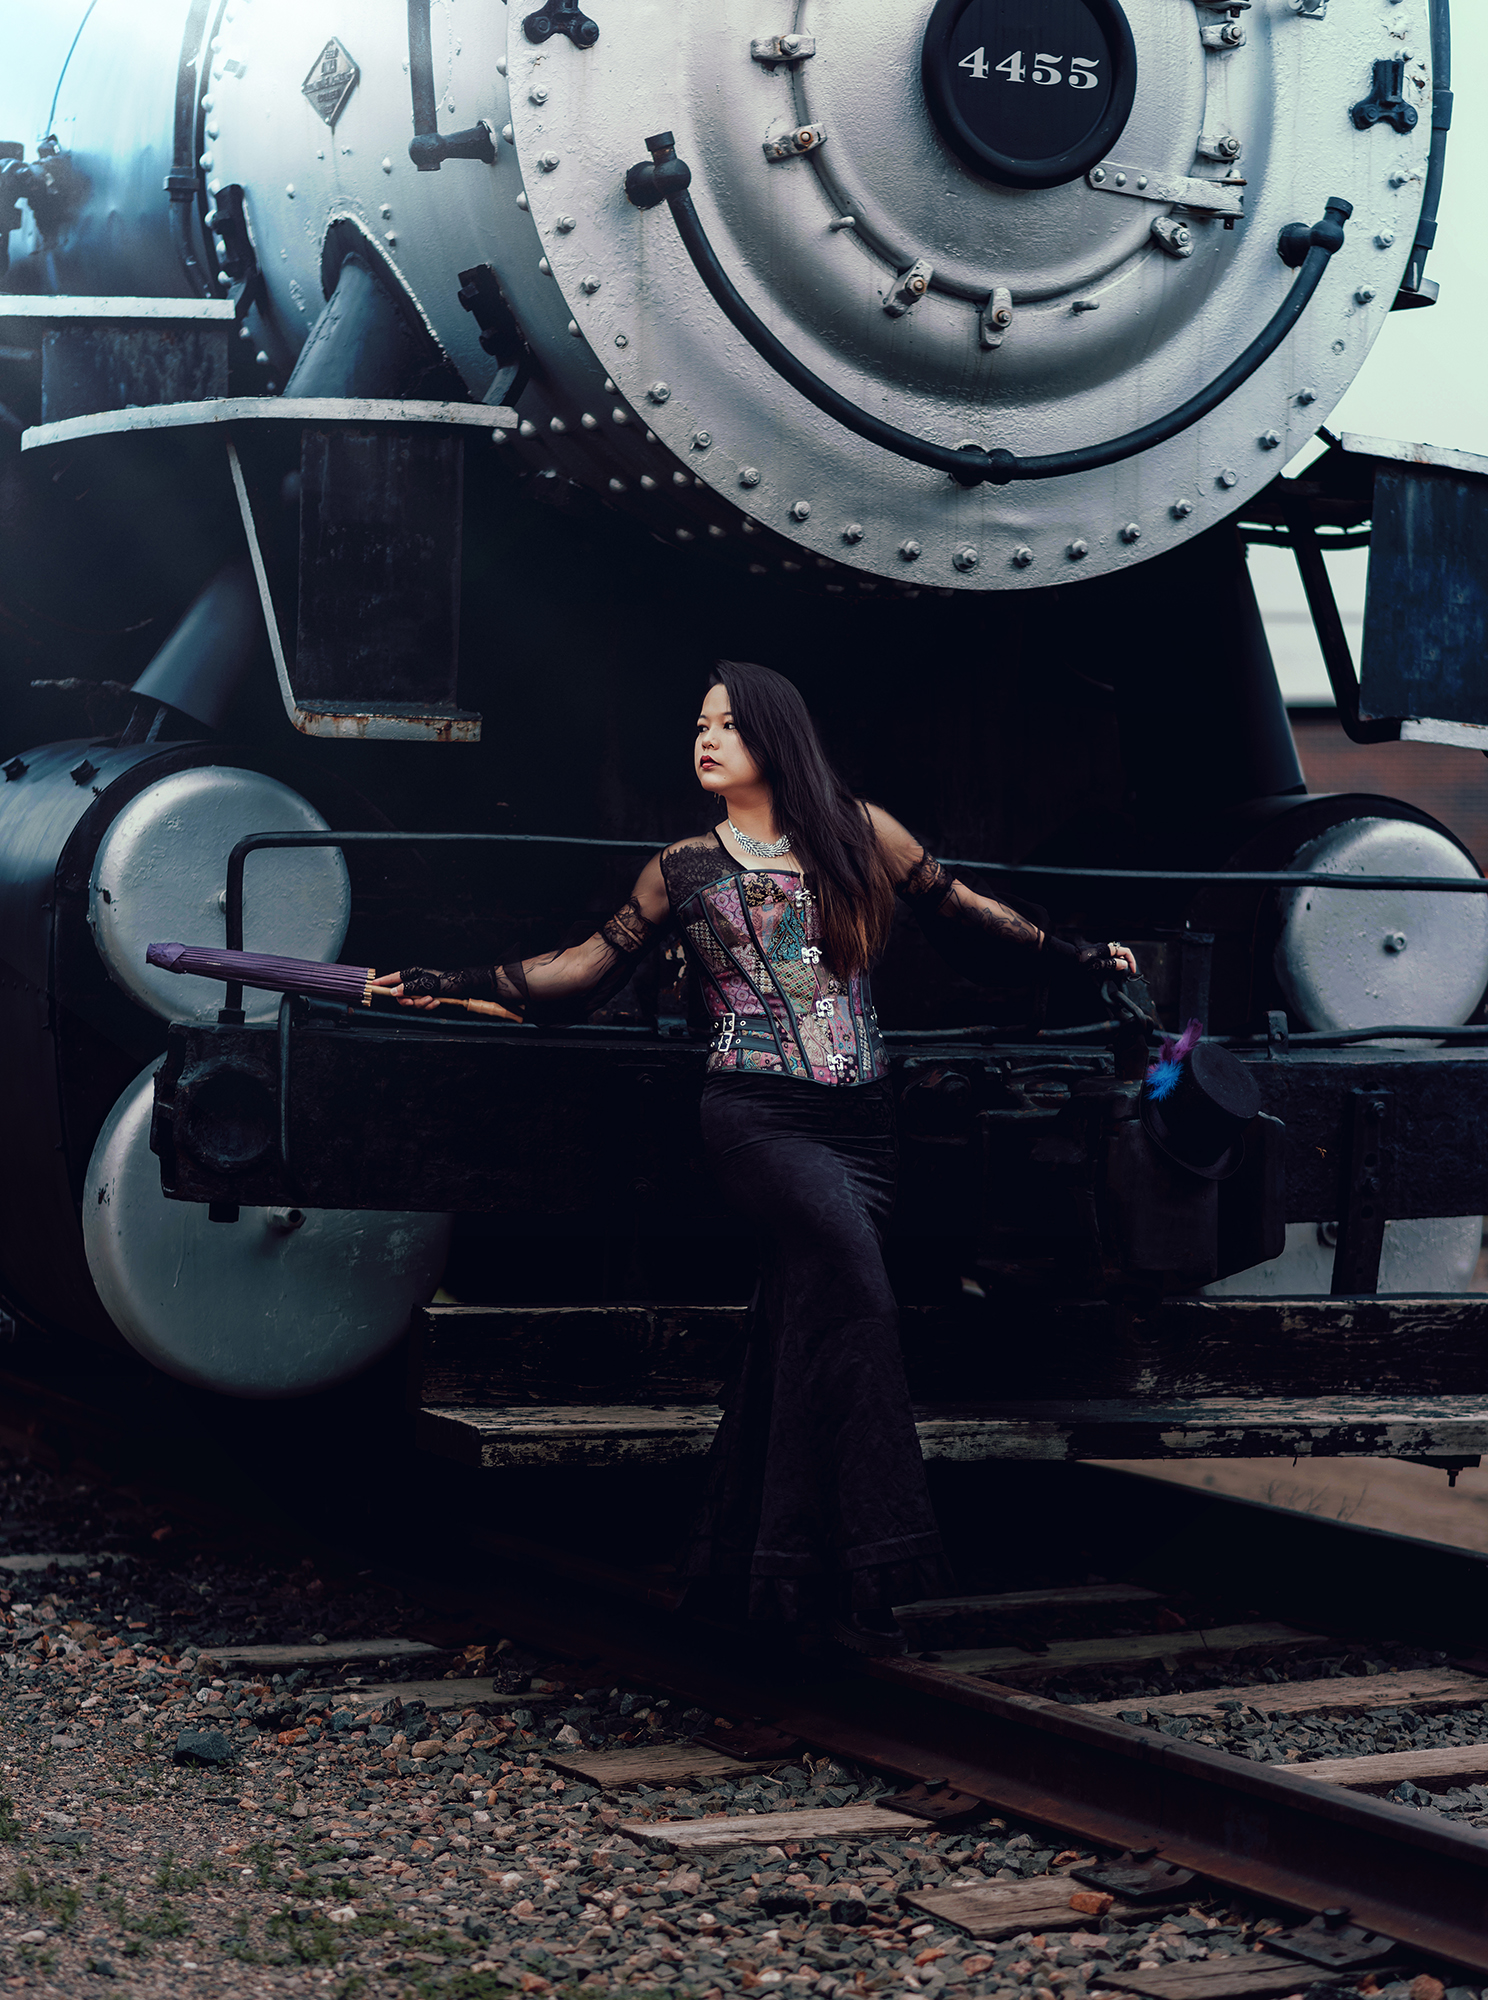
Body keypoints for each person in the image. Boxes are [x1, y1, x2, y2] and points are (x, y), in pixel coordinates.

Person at [374, 661, 1136, 1655]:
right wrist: (451, 978)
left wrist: (1075, 954)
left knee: (803, 1324)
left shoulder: (864, 830)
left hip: (864, 1122)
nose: (705, 740)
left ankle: (768, 1570)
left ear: (776, 737)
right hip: (755, 1114)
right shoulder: (685, 865)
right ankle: (880, 1552)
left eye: (726, 725)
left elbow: (962, 908)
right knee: (861, 1294)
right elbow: (583, 967)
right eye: (699, 725)